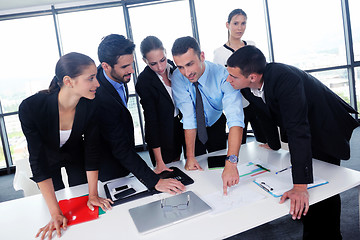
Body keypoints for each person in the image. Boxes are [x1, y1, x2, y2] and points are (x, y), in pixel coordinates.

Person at [226, 45, 359, 240]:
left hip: (325, 126)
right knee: (309, 183)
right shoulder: (247, 87)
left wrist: (299, 186)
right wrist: (273, 144)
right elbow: (264, 113)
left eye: (233, 76)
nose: (228, 80)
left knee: (324, 186)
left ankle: (330, 235)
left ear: (252, 76)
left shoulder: (285, 80)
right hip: (304, 126)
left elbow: (298, 131)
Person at [19, 52, 113, 240]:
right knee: (57, 208)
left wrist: (93, 194)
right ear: (69, 81)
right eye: (91, 78)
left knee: (84, 201)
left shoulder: (91, 104)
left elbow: (92, 150)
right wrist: (55, 213)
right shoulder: (31, 108)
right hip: (47, 159)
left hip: (75, 153)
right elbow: (37, 161)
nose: (98, 84)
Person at [95, 34, 185, 194]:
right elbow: (119, 146)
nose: (131, 70)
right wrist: (154, 181)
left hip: (125, 159)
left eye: (131, 64)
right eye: (124, 67)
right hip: (108, 164)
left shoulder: (117, 76)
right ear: (106, 66)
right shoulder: (101, 97)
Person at [171, 36, 244, 195]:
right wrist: (189, 156)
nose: (187, 72)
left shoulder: (222, 75)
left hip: (216, 122)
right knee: (195, 170)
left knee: (218, 164)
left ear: (202, 56)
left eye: (190, 64)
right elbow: (189, 117)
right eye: (181, 67)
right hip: (193, 129)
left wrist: (232, 163)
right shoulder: (177, 77)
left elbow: (235, 118)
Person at [213, 8, 279, 150]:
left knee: (264, 139)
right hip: (237, 103)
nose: (240, 27)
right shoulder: (219, 53)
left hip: (256, 99)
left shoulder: (251, 45)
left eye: (243, 23)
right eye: (236, 23)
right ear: (227, 25)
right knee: (239, 144)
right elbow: (221, 81)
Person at [135, 36, 186, 174]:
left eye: (162, 60)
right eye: (153, 63)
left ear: (165, 53)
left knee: (183, 167)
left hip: (180, 125)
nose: (160, 67)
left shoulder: (175, 68)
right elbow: (151, 122)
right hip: (161, 133)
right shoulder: (144, 82)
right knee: (168, 172)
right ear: (144, 61)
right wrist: (159, 161)